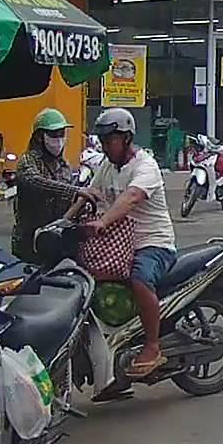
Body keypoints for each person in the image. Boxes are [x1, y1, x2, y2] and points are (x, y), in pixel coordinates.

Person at [84, 108, 177, 379]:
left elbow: (131, 197)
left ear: (126, 138)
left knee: (139, 279)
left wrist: (103, 222)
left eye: (110, 140)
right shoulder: (108, 166)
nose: (105, 146)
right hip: (120, 245)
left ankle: (152, 346)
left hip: (153, 244)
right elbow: (90, 194)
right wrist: (63, 221)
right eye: (102, 141)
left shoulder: (145, 166)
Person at [11, 108, 95, 264]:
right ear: (39, 137)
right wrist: (75, 190)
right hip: (29, 241)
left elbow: (68, 199)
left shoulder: (63, 165)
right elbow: (35, 181)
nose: (59, 140)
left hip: (57, 238)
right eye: (53, 135)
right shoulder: (28, 160)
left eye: (62, 134)